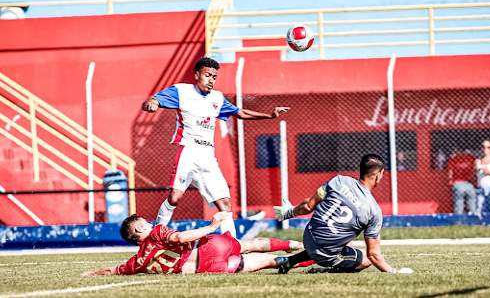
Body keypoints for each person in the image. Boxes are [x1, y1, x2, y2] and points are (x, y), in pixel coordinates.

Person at [142, 57, 289, 237]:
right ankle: (155, 237)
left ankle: (232, 245)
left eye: (214, 76)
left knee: (225, 203)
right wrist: (153, 104)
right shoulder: (181, 91)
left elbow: (239, 112)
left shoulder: (217, 98)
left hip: (208, 157)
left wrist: (269, 115)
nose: (211, 80)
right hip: (188, 152)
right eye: (207, 75)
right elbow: (154, 99)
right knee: (174, 197)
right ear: (197, 75)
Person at [273, 154, 413, 274]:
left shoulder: (338, 181)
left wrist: (289, 212)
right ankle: (326, 270)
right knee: (364, 260)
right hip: (324, 252)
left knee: (337, 238)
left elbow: (308, 206)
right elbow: (373, 255)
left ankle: (290, 261)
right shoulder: (373, 210)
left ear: (361, 170)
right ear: (379, 174)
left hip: (309, 236)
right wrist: (394, 271)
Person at [84, 212, 307, 276]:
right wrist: (211, 226)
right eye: (145, 222)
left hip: (212, 268)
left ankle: (312, 261)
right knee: (255, 243)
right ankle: (299, 245)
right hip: (210, 247)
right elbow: (180, 238)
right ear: (140, 229)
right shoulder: (159, 231)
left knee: (270, 262)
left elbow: (115, 270)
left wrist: (92, 273)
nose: (149, 222)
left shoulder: (140, 260)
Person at [447, 149, 476, 214]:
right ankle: (473, 217)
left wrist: (450, 181)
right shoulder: (471, 158)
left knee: (459, 203)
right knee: (472, 203)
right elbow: (474, 171)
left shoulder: (453, 158)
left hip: (458, 182)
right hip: (469, 183)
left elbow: (450, 172)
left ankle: (459, 219)